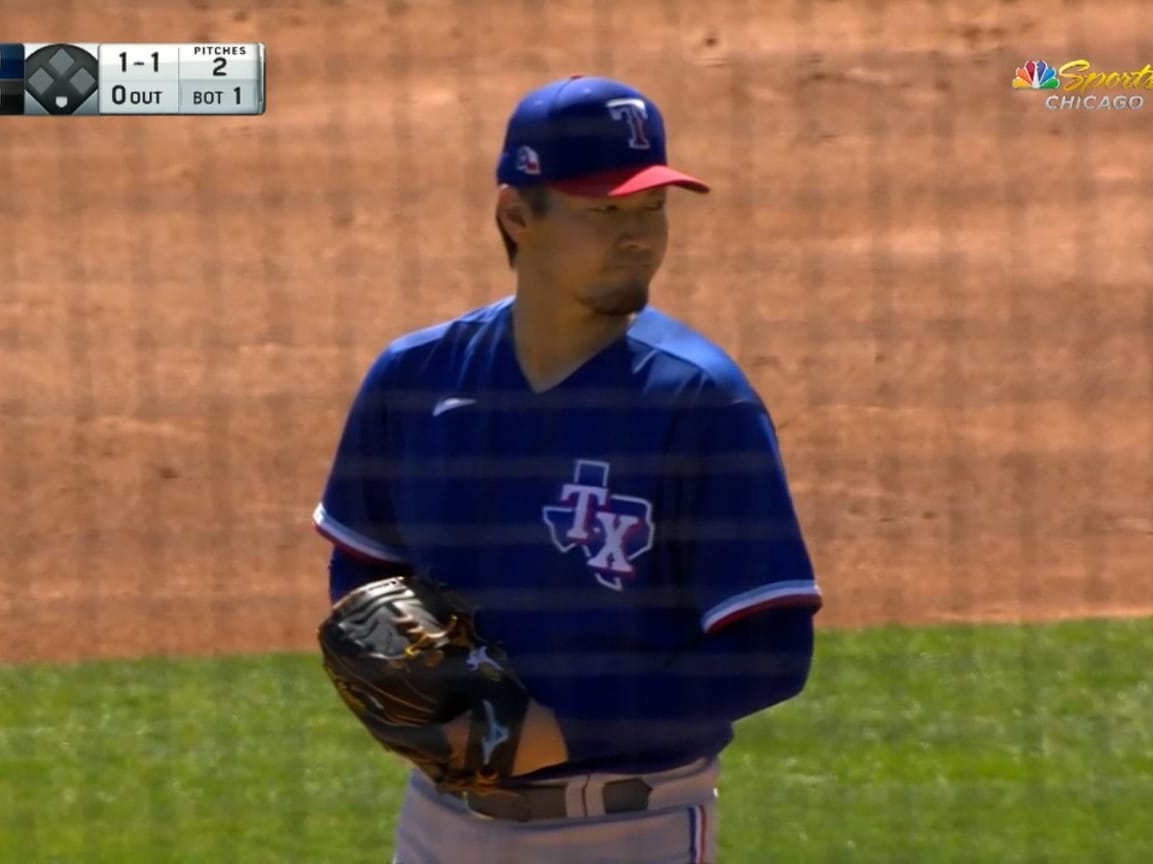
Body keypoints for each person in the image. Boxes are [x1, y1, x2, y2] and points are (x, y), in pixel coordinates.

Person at [312, 74, 823, 864]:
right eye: (605, 212)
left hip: (629, 828)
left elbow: (771, 652)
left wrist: (560, 732)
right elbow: (364, 561)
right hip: (439, 824)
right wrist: (403, 693)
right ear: (519, 215)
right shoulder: (417, 378)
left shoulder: (696, 401)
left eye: (651, 209)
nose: (637, 237)